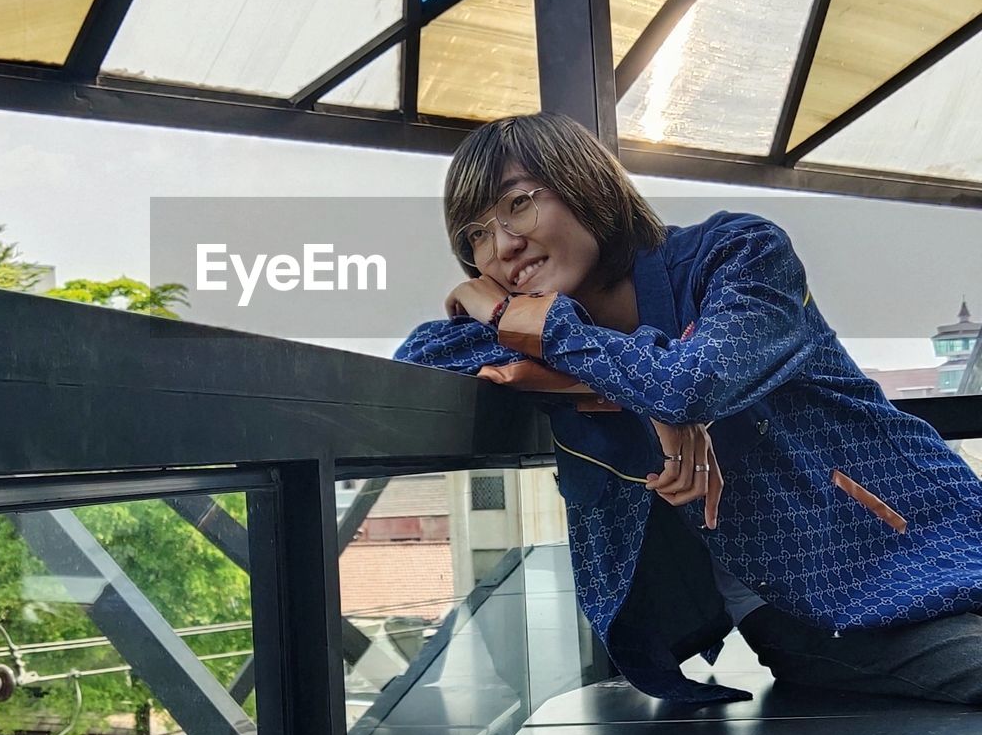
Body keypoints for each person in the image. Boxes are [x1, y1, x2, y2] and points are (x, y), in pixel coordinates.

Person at [396, 113, 982, 704]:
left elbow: (691, 384)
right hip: (816, 608)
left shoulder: (739, 255)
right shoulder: (528, 325)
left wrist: (558, 339)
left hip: (930, 532)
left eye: (518, 203)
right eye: (475, 236)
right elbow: (417, 359)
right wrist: (545, 341)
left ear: (584, 182)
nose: (501, 247)